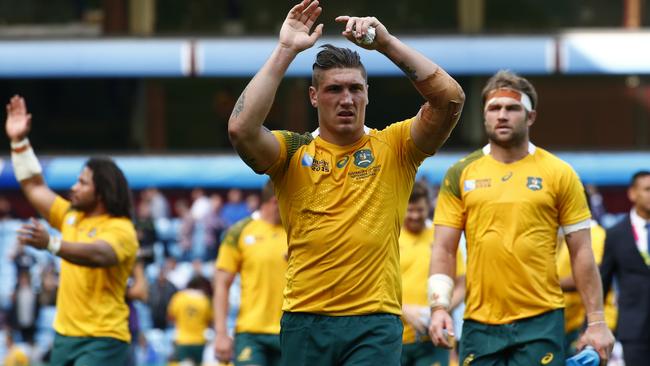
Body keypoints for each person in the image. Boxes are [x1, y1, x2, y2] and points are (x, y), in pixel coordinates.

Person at [227, 1, 464, 364]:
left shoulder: (395, 147)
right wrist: (286, 50)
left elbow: (450, 99)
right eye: (334, 89)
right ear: (313, 96)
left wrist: (386, 44)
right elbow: (241, 129)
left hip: (375, 323)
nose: (347, 99)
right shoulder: (292, 151)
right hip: (305, 320)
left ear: (368, 93)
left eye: (355, 89)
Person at [427, 70, 614, 365]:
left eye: (512, 108)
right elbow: (443, 248)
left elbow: (581, 252)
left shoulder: (560, 173)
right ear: (484, 116)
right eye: (494, 108)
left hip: (541, 321)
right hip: (479, 323)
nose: (502, 115)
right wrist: (439, 307)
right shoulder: (460, 173)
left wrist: (597, 322)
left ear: (530, 117)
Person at [5, 95, 139, 365]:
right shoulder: (70, 217)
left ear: (101, 193)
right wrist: (19, 142)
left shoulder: (122, 229)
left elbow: (99, 254)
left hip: (103, 338)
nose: (74, 188)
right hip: (64, 336)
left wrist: (52, 245)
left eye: (82, 183)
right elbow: (34, 186)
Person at [213, 181, 287, 365]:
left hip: (291, 332)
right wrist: (221, 334)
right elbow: (222, 284)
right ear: (275, 201)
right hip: (251, 333)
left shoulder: (299, 230)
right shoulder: (239, 231)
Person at [399, 181, 465, 366]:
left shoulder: (442, 238)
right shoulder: (391, 237)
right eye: (410, 210)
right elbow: (375, 283)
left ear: (428, 206)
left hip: (434, 337)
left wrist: (440, 309)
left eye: (419, 210)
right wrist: (403, 309)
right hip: (396, 336)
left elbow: (462, 283)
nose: (415, 215)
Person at [556, 191, 617, 356]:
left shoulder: (595, 234)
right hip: (568, 324)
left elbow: (590, 275)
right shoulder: (563, 235)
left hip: (586, 324)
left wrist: (542, 284)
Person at [600, 170, 650, 366]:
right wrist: (590, 326)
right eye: (647, 189)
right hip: (634, 330)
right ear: (632, 193)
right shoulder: (615, 234)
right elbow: (603, 281)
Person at [167, 275, 213, 365]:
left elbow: (170, 317)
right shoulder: (204, 300)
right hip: (199, 340)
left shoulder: (179, 297)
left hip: (182, 340)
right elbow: (209, 321)